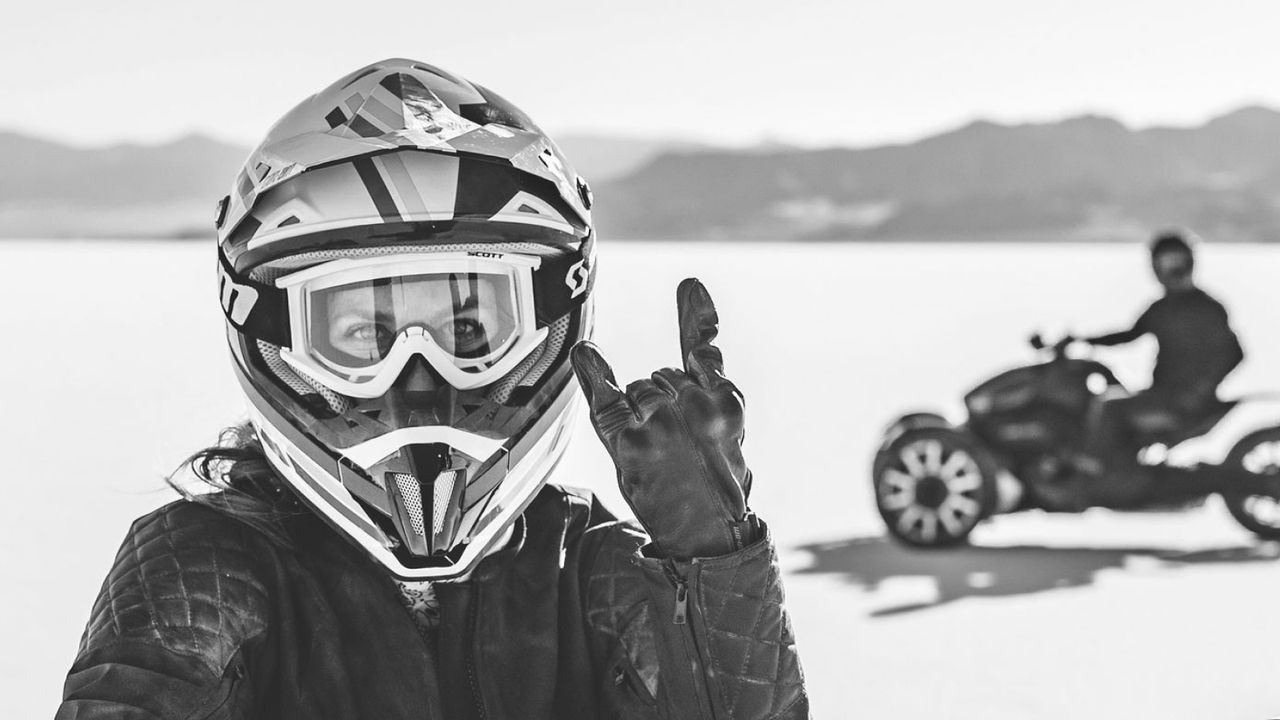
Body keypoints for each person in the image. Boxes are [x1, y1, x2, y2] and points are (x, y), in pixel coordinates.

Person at [56, 59, 808, 720]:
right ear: (280, 339)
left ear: (551, 320)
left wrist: (711, 562)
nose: (418, 385)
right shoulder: (207, 566)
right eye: (360, 337)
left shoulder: (588, 567)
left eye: (471, 332)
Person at [1076, 230, 1244, 470]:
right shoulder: (1162, 308)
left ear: (1189, 264)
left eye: (1177, 262)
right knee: (1111, 395)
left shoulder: (1207, 308)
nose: (1173, 271)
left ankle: (1093, 471)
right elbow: (1129, 335)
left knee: (1109, 407)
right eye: (1166, 264)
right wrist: (1086, 340)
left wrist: (1200, 389)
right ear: (1156, 269)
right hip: (1165, 395)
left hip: (1179, 402)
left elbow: (1234, 353)